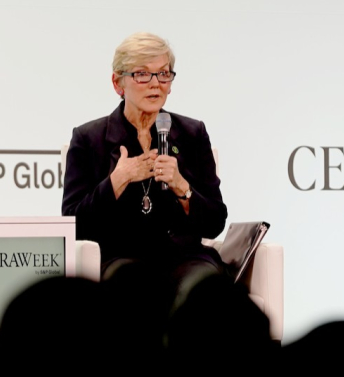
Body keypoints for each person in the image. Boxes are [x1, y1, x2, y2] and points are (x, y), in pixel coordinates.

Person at [61, 32, 227, 292]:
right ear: (118, 83)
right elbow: (73, 224)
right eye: (141, 74)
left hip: (185, 257)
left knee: (204, 288)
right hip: (120, 258)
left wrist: (181, 186)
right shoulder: (89, 139)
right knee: (131, 285)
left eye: (163, 73)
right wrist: (118, 179)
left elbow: (216, 222)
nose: (155, 83)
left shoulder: (192, 134)